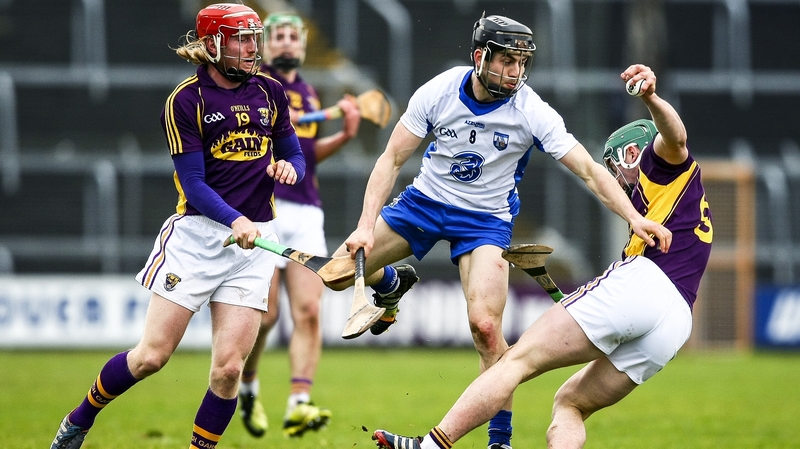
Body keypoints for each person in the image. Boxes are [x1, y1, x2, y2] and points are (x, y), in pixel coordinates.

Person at [326, 14, 671, 449]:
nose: (515, 73)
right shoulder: (439, 91)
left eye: (521, 63)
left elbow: (587, 170)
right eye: (506, 62)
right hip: (423, 204)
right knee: (336, 273)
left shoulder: (531, 110)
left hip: (484, 221)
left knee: (486, 328)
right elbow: (391, 160)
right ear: (479, 57)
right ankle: (391, 284)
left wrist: (634, 218)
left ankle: (500, 441)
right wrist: (363, 228)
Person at [371, 63, 713, 449]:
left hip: (644, 283)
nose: (616, 179)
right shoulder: (676, 202)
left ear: (633, 152)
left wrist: (650, 98)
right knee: (570, 403)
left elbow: (676, 137)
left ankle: (431, 446)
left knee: (513, 361)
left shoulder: (661, 164)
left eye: (616, 167)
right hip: (675, 321)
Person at [50, 4, 306, 449]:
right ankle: (78, 419)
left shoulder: (270, 90)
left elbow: (295, 154)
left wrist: (290, 170)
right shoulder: (187, 100)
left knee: (229, 370)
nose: (251, 48)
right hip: (197, 238)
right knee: (151, 357)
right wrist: (235, 218)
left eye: (253, 37)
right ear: (212, 45)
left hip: (256, 242)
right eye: (239, 39)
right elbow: (193, 183)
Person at [236, 12, 362, 439]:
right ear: (265, 46)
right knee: (266, 315)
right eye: (280, 37)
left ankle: (298, 404)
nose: (288, 44)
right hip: (265, 210)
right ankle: (248, 386)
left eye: (295, 37)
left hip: (308, 211)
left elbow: (303, 158)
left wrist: (343, 136)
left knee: (308, 311)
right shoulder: (253, 89)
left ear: (303, 47)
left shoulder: (307, 93)